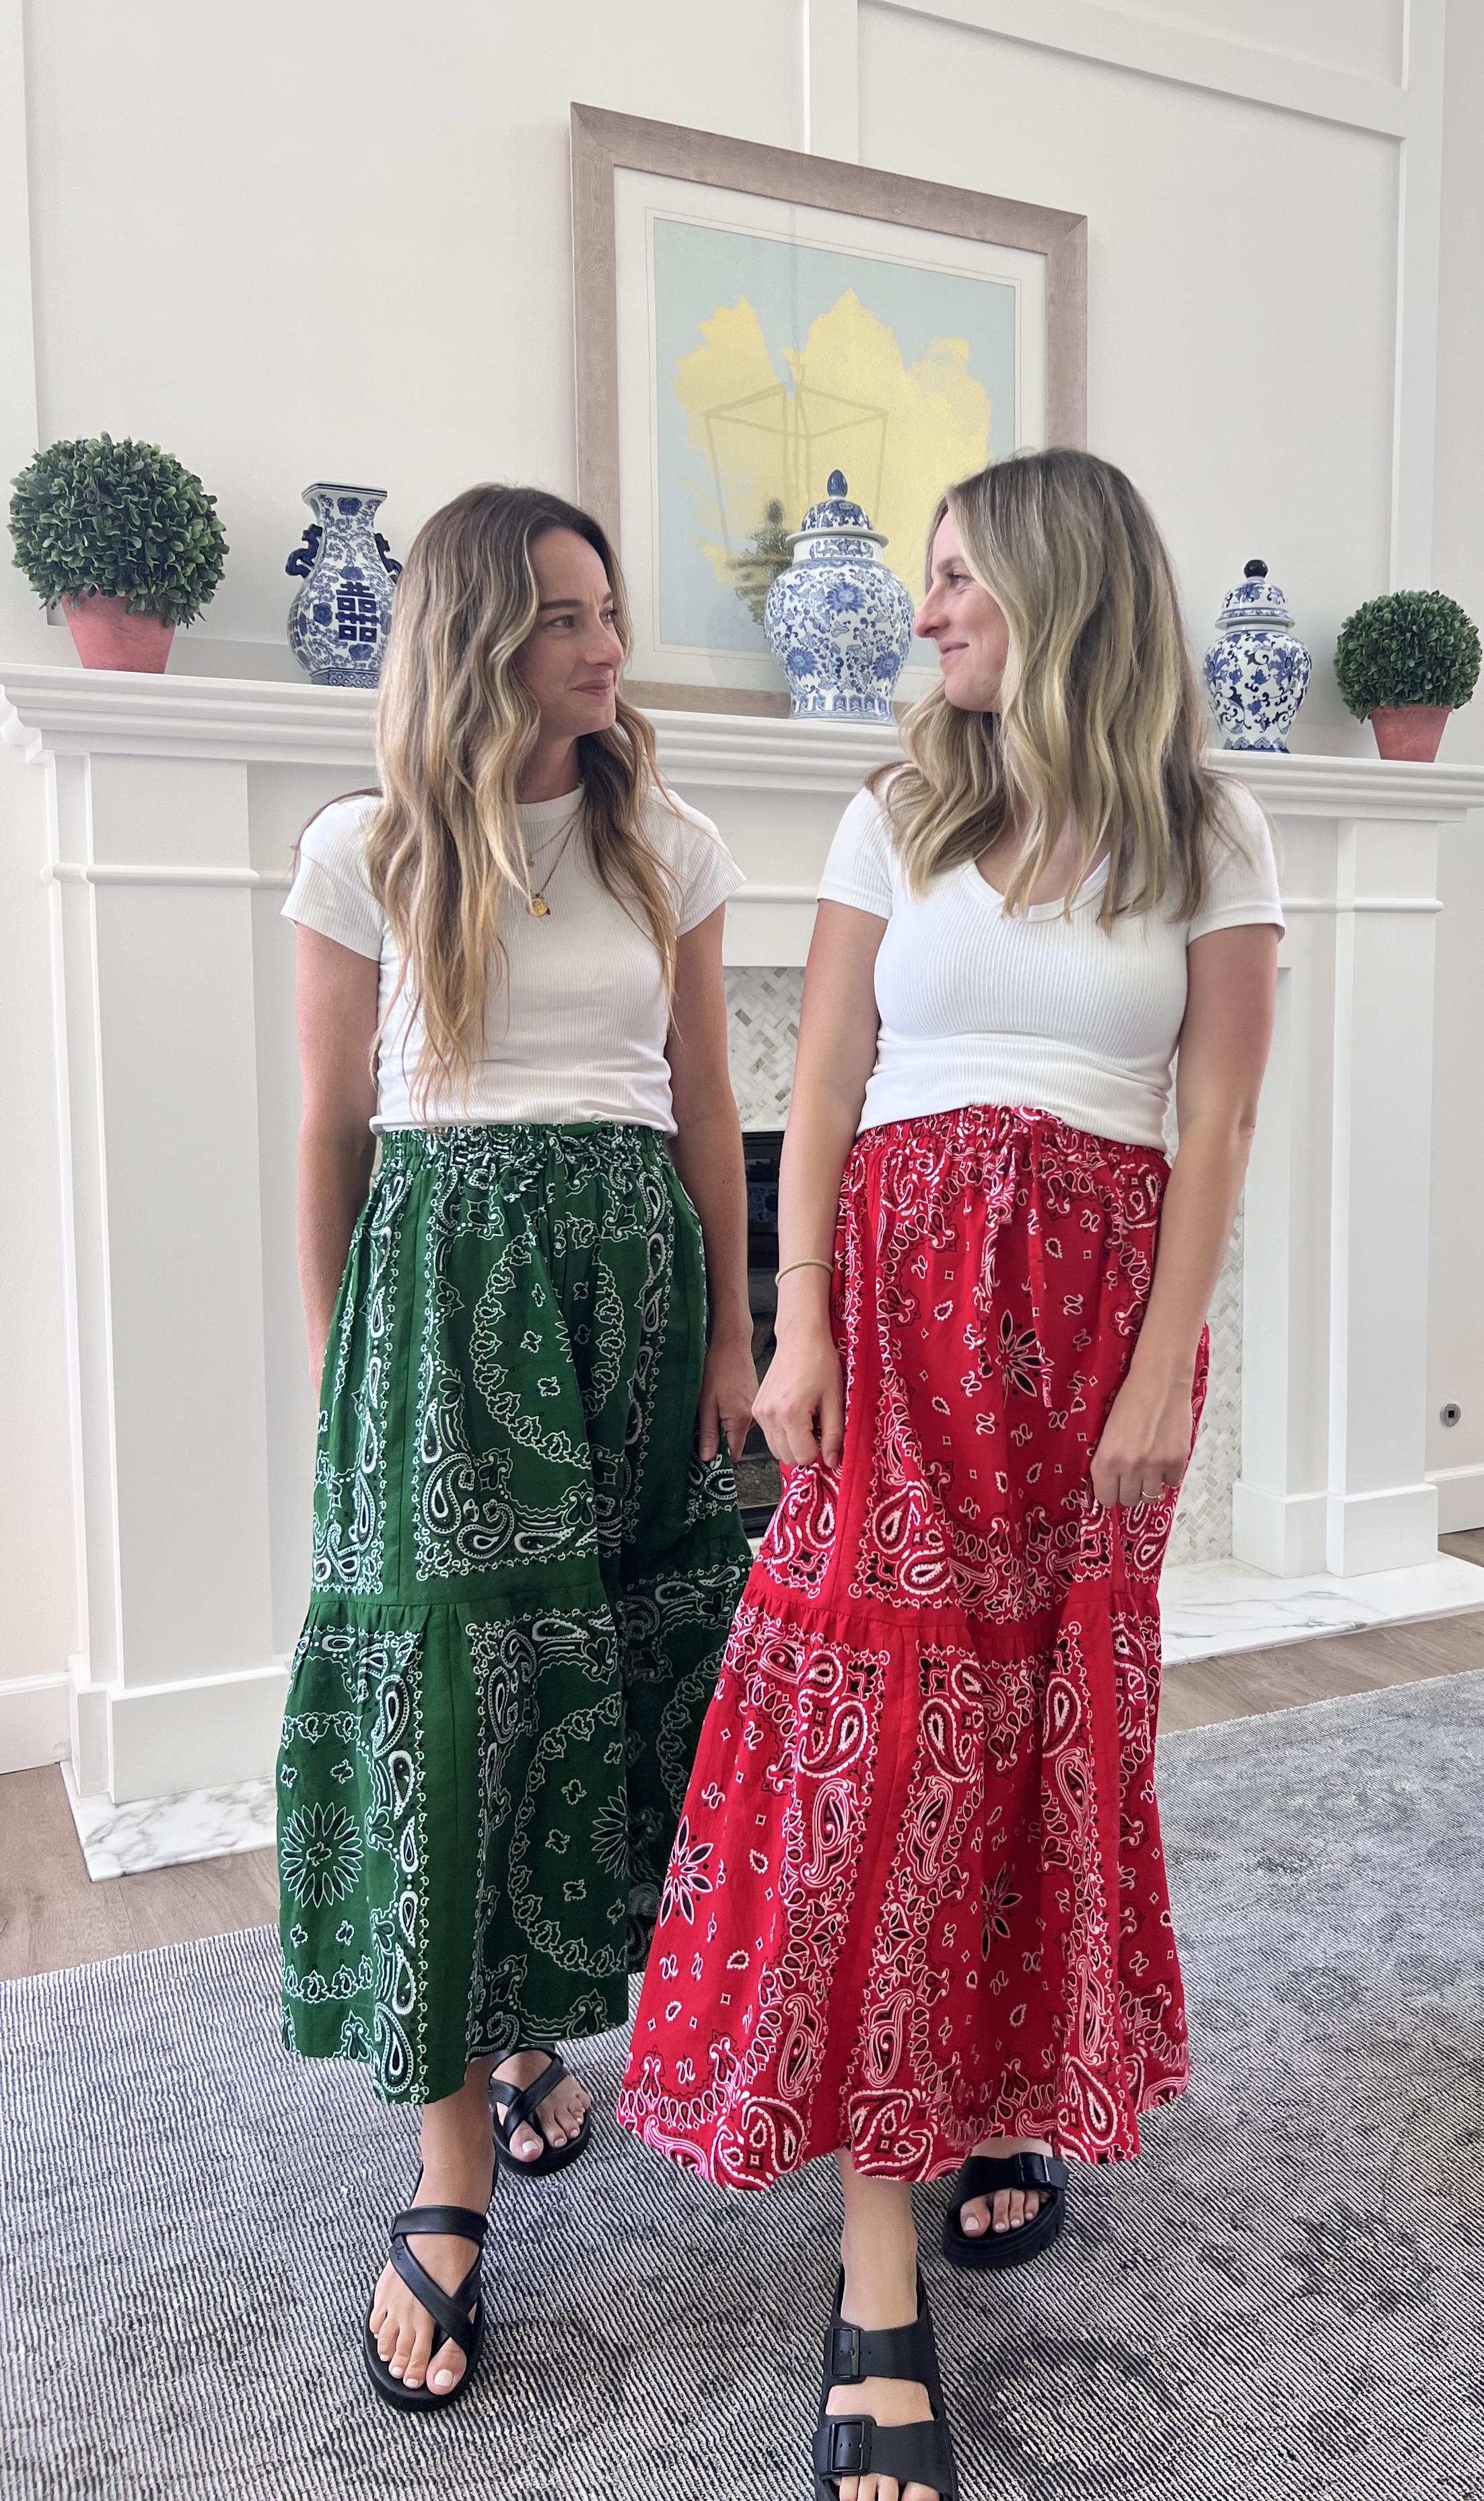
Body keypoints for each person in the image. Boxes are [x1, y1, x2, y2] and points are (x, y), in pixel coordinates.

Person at [618, 449, 1282, 2501]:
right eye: (921, 582)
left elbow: (1217, 1122)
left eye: (961, 578)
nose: (927, 616)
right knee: (884, 1757)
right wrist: (799, 1319)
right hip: (894, 1327)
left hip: (1093, 1335)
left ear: (1067, 589)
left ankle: (999, 2086)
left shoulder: (1210, 828)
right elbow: (818, 1079)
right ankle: (877, 2268)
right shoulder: (893, 810)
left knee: (1041, 1737)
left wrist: (1163, 1368)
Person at [278, 484, 756, 2410]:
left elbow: (709, 1103)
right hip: (445, 1292)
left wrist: (738, 1329)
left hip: (634, 1286)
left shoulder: (673, 845)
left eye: (611, 611)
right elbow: (333, 1129)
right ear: (479, 638)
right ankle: (451, 2166)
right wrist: (348, 1372)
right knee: (457, 1702)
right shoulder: (365, 851)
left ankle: (550, 2025)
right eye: (565, 617)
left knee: (635, 1671)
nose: (607, 647)